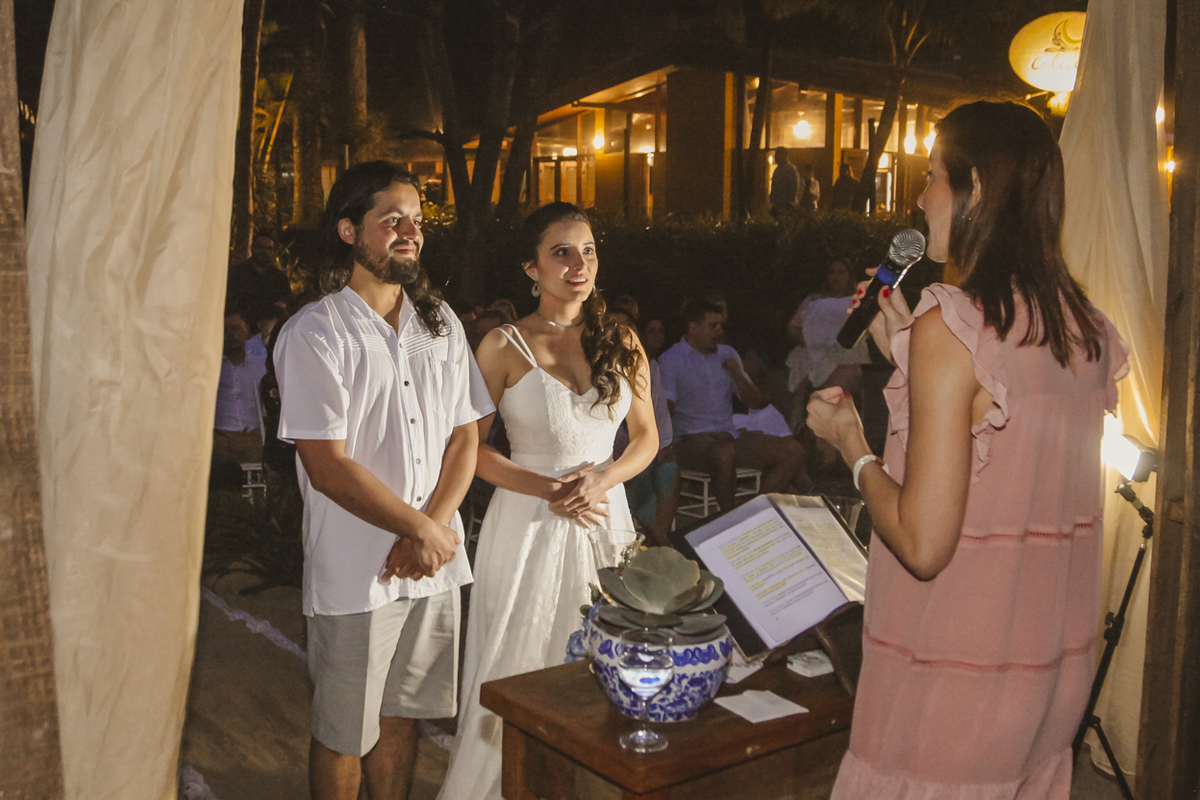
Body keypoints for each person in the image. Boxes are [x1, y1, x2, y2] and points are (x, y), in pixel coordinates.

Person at [807, 101, 1128, 798]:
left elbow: (924, 544)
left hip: (952, 672)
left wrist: (852, 446)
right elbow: (1006, 437)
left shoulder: (953, 327)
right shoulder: (1083, 329)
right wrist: (906, 348)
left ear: (976, 187)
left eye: (931, 178)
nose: (920, 200)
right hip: (1044, 674)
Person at [274, 162, 493, 800]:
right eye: (391, 219)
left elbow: (466, 436)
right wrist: (419, 527)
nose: (409, 232)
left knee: (402, 716)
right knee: (343, 731)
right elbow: (327, 464)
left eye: (417, 221)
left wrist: (432, 529)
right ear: (348, 230)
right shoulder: (315, 332)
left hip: (431, 562)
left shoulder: (441, 323)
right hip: (355, 572)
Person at [437, 203, 657, 800]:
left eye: (587, 250)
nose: (578, 263)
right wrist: (552, 488)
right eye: (561, 252)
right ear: (531, 268)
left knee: (606, 658)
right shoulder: (502, 344)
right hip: (527, 522)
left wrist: (601, 481)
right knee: (522, 659)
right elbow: (469, 450)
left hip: (605, 521)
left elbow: (645, 440)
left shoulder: (621, 339)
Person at [660, 298, 808, 512]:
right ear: (693, 327)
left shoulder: (727, 353)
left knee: (792, 450)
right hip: (689, 440)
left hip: (729, 436)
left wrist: (737, 374)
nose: (720, 331)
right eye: (713, 325)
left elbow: (755, 403)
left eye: (721, 325)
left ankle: (750, 512)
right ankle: (728, 517)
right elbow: (666, 407)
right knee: (723, 452)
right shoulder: (671, 359)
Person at [212, 307, 267, 467]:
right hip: (220, 440)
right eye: (225, 330)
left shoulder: (261, 365)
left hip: (254, 438)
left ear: (246, 330)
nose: (230, 335)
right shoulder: (212, 368)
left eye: (236, 328)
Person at [769, 146, 799, 212]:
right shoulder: (777, 170)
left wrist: (791, 202)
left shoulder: (791, 169)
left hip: (787, 206)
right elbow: (774, 188)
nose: (775, 157)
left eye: (777, 155)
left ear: (784, 155)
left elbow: (794, 187)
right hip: (777, 205)